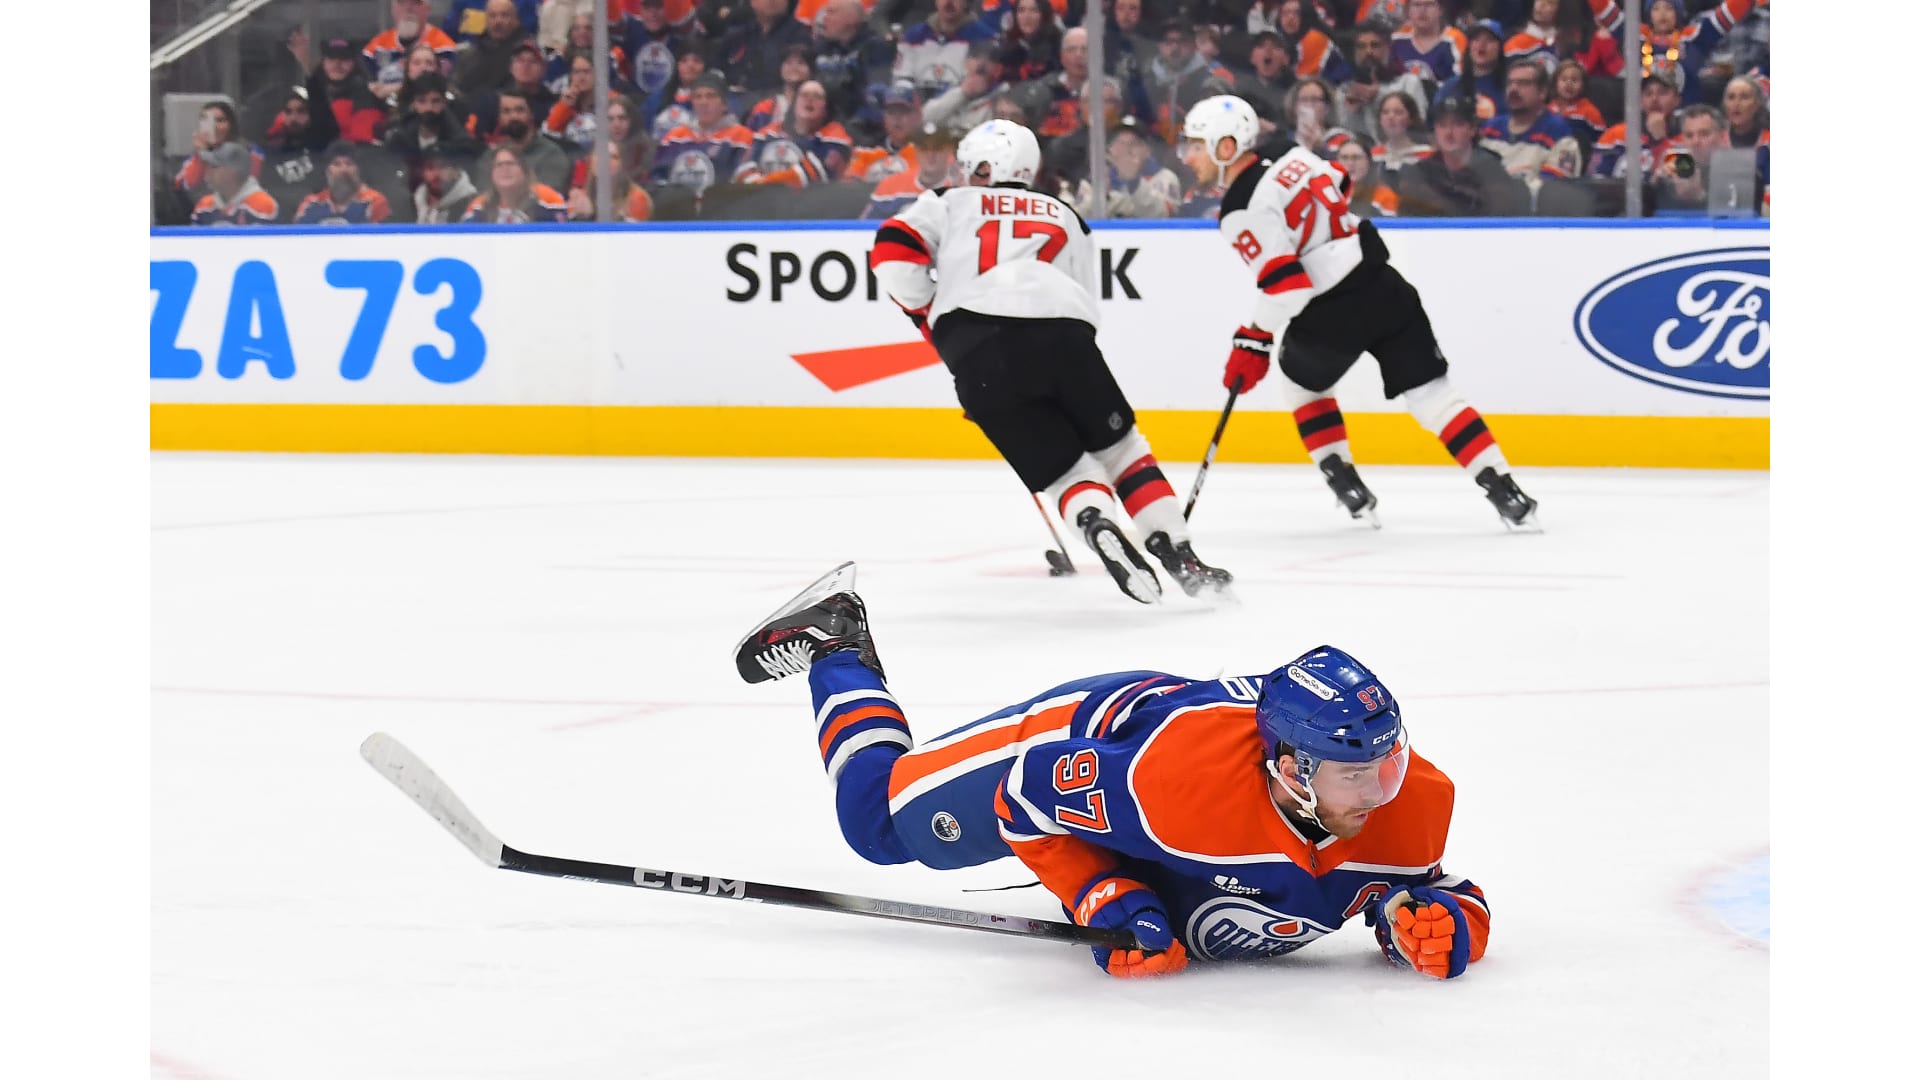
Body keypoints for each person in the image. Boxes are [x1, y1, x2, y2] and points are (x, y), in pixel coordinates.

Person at [732, 566, 1490, 979]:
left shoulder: (1412, 801)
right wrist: (1102, 892)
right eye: (1356, 776)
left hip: (1181, 759)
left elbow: (1426, 884)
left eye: (1387, 765)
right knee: (877, 825)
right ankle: (837, 643)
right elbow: (1024, 796)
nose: (1381, 793)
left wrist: (1433, 923)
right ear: (1291, 769)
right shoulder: (1164, 785)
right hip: (1094, 733)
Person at [868, 119, 1233, 603]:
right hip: (1064, 336)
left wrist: (928, 310)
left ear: (986, 167)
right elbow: (1084, 300)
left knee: (1065, 472)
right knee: (1122, 450)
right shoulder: (1068, 216)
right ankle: (1180, 554)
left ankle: (1095, 521)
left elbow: (892, 252)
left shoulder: (949, 201)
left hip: (976, 348)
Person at [1179, 94, 1538, 530]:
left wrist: (1253, 337)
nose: (1188, 156)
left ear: (1226, 146)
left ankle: (1344, 480)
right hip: (1383, 284)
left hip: (1330, 314)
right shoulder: (1288, 151)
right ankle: (1506, 490)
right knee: (1434, 395)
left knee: (1302, 388)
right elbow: (1341, 182)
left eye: (1195, 145)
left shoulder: (1238, 209)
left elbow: (1287, 287)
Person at [1396, 92, 1531, 216]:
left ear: (1472, 129)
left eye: (1458, 124)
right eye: (1442, 125)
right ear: (1435, 131)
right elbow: (1408, 217)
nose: (1449, 132)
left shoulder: (1491, 169)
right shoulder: (1422, 171)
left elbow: (1498, 217)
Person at [860, 124, 961, 218]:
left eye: (937, 149)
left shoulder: (960, 188)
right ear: (915, 151)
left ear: (949, 150)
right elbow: (867, 227)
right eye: (924, 149)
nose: (930, 155)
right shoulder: (890, 186)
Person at [461, 142, 570, 221]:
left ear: (524, 171)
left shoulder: (547, 200)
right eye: (499, 165)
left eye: (510, 163)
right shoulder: (478, 207)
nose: (505, 169)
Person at [190, 141, 280, 225]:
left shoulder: (262, 205)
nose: (207, 172)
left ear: (233, 171)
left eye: (214, 166)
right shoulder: (204, 206)